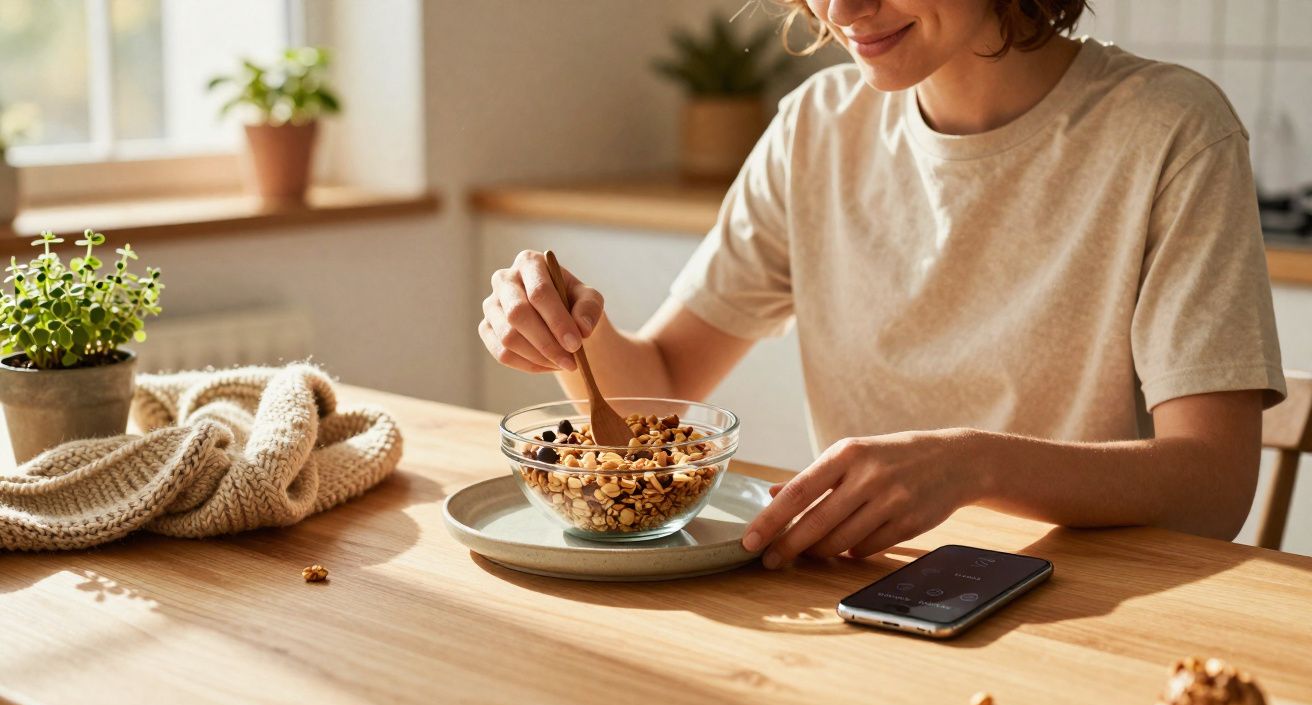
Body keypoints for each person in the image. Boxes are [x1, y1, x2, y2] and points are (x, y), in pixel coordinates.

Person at [478, 0, 1286, 570]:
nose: (842, 7)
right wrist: (564, 332)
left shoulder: (1172, 130)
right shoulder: (815, 128)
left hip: (1092, 620)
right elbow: (659, 385)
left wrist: (977, 465)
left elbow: (1212, 486)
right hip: (868, 598)